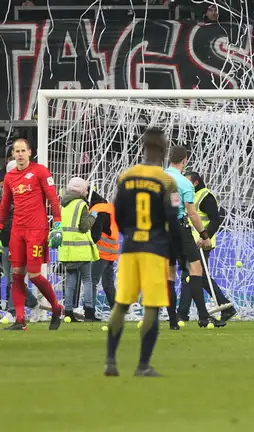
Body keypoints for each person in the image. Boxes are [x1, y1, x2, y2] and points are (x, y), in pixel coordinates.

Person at [105, 128, 185, 377]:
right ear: (164, 150)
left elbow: (117, 213)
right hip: (155, 249)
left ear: (143, 147)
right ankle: (142, 365)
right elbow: (173, 218)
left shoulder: (126, 177)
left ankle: (110, 362)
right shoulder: (167, 182)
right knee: (151, 307)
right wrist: (178, 251)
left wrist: (130, 233)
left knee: (121, 304)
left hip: (129, 248)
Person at [0, 138, 64, 331]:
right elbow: (5, 204)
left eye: (23, 151)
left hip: (37, 230)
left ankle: (56, 307)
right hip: (17, 231)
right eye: (16, 151)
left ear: (29, 152)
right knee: (17, 275)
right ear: (13, 154)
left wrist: (57, 223)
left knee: (35, 275)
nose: (20, 154)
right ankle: (20, 320)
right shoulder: (10, 177)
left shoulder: (40, 171)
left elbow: (53, 197)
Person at [165, 146, 224, 329]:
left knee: (170, 274)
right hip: (179, 229)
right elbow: (191, 213)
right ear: (185, 161)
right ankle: (203, 317)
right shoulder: (184, 183)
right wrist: (204, 235)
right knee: (196, 269)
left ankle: (173, 321)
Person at [178, 171, 236, 322]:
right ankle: (226, 307)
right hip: (190, 242)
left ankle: (182, 314)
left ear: (196, 182)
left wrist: (205, 237)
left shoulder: (205, 196)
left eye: (187, 182)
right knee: (196, 277)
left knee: (191, 276)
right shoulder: (189, 197)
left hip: (201, 243)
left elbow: (215, 220)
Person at [1, 159, 39, 319]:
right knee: (10, 278)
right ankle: (33, 303)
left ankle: (12, 312)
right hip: (5, 241)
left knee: (14, 277)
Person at [59, 177, 99, 322]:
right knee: (87, 280)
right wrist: (93, 217)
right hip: (81, 249)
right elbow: (84, 226)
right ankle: (89, 312)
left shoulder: (63, 204)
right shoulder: (82, 204)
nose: (87, 192)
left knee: (70, 281)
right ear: (80, 190)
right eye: (85, 189)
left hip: (67, 249)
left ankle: (68, 312)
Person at [90, 191, 118, 311]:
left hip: (101, 251)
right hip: (112, 250)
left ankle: (90, 310)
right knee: (108, 284)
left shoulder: (97, 209)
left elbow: (96, 231)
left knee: (92, 281)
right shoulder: (109, 207)